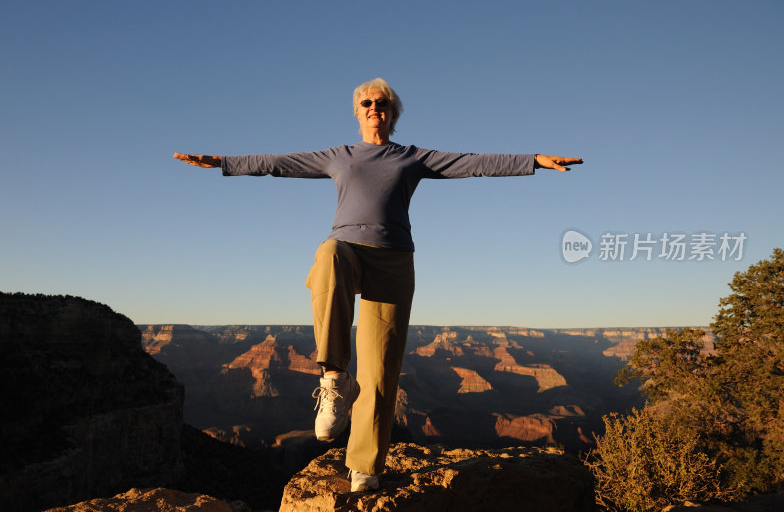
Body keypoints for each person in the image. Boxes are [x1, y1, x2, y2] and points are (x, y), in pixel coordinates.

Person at [174, 77, 583, 492]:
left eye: (383, 102)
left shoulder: (412, 157)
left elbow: (471, 162)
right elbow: (280, 162)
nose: (374, 107)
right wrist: (224, 162)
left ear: (393, 112)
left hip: (393, 261)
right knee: (329, 255)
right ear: (357, 112)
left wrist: (533, 160)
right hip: (348, 249)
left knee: (381, 369)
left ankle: (365, 467)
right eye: (367, 102)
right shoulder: (339, 156)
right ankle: (334, 377)